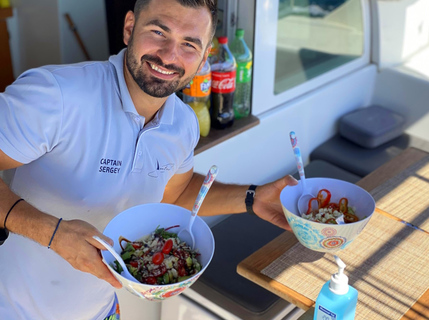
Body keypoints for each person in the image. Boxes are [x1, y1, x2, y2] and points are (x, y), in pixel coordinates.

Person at [0, 0, 297, 319]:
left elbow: (176, 195)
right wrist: (52, 233)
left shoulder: (183, 124)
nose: (170, 55)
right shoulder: (56, 95)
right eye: (159, 31)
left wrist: (253, 198)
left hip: (103, 311)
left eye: (189, 44)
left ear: (204, 56)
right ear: (129, 28)